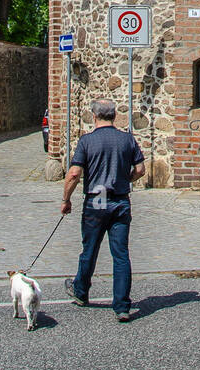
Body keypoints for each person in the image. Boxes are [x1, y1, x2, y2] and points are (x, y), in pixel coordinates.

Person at [62, 99, 145, 320]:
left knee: (89, 249)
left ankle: (80, 291)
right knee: (121, 254)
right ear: (114, 116)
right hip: (119, 201)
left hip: (96, 201)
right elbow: (140, 169)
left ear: (94, 116)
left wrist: (66, 200)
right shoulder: (127, 139)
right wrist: (126, 180)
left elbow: (74, 174)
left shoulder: (87, 141)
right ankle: (122, 306)